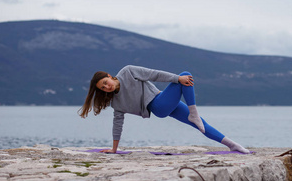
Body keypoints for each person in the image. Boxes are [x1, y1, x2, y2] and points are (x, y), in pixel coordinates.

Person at [79, 65, 250, 154]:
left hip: (163, 99)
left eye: (105, 83)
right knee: (186, 74)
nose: (106, 88)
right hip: (158, 106)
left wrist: (177, 79)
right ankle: (194, 113)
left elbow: (154, 74)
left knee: (200, 124)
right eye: (102, 88)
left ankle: (233, 145)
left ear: (109, 76)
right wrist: (114, 149)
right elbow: (118, 124)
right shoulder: (116, 103)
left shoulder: (128, 71)